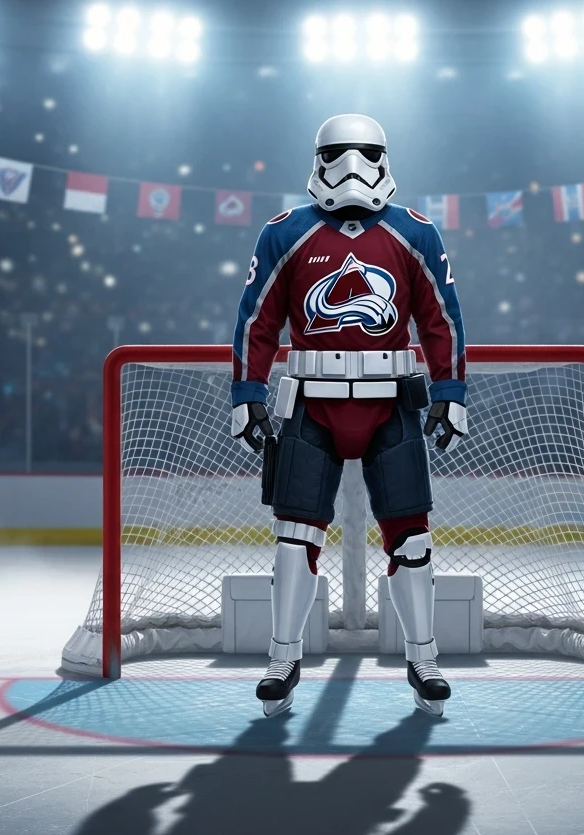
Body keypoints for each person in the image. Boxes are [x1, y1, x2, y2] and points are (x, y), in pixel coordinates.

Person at [229, 113, 468, 717]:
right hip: (311, 400)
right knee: (293, 538)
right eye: (339, 151)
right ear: (318, 157)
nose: (352, 164)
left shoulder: (416, 231)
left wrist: (451, 391)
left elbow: (442, 317)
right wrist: (247, 394)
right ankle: (282, 661)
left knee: (411, 538)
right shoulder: (285, 232)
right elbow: (256, 320)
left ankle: (425, 660)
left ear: (385, 157)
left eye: (365, 151)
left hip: (393, 401)